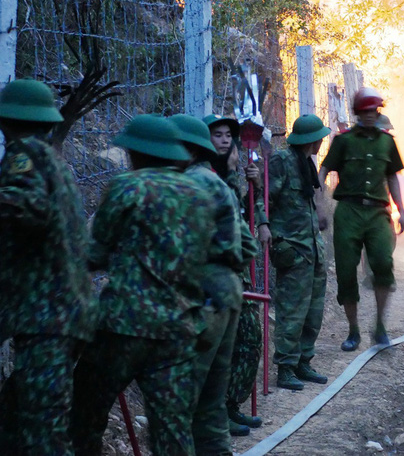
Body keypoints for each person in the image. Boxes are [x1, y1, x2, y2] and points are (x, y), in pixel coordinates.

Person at [71, 115, 216, 455]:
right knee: (173, 428)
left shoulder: (126, 187)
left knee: (84, 413)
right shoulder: (199, 193)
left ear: (135, 153)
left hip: (123, 326)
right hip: (179, 328)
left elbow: (97, 253)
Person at [0, 79, 96, 454]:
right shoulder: (54, 161)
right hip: (64, 314)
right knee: (14, 420)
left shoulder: (24, 155)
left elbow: (28, 207)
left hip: (46, 319)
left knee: (43, 433)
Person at [169, 114, 259, 449]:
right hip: (228, 292)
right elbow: (247, 244)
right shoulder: (217, 181)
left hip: (199, 299)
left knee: (182, 399)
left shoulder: (183, 185)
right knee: (210, 401)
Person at [319, 87, 404, 351]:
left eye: (374, 111)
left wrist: (401, 208)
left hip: (378, 211)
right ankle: (353, 330)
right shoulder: (343, 141)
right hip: (348, 210)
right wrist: (319, 206)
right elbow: (323, 169)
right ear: (358, 112)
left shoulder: (387, 141)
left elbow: (392, 176)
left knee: (382, 262)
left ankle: (380, 326)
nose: (370, 115)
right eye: (366, 111)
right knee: (346, 271)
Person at [202, 114, 266, 434]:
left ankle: (230, 404)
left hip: (238, 272)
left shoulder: (231, 175)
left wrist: (255, 185)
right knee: (219, 349)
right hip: (214, 275)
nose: (226, 140)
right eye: (218, 134)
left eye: (229, 135)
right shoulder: (203, 176)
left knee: (249, 338)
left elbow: (245, 216)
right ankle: (215, 414)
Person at [268, 114, 331, 390]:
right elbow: (264, 199)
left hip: (312, 250)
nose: (321, 142)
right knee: (291, 311)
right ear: (311, 140)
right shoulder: (281, 162)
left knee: (313, 311)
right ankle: (286, 367)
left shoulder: (306, 163)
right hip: (292, 249)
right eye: (319, 138)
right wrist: (265, 227)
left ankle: (304, 361)